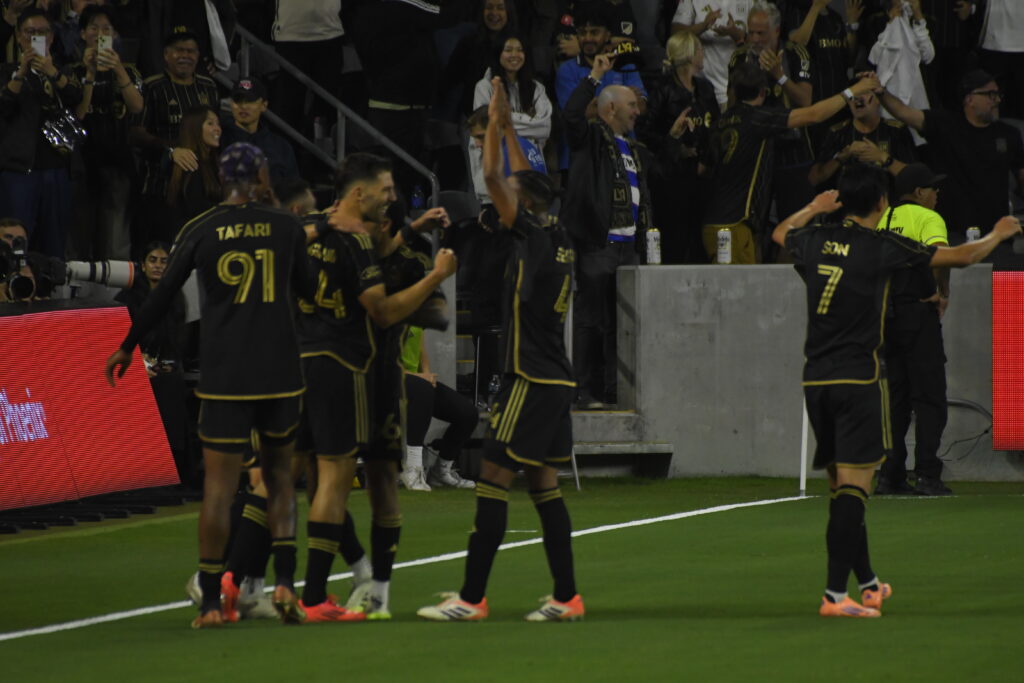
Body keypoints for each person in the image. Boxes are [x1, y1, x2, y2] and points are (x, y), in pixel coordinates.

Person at [771, 163, 1021, 618]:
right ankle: (833, 596)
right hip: (860, 377)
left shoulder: (813, 238)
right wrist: (1000, 232)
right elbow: (963, 257)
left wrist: (813, 206)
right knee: (854, 490)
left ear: (841, 201)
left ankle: (867, 584)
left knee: (842, 489)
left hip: (817, 379)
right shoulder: (883, 246)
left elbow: (779, 234)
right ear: (884, 203)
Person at [105, 142, 317, 629]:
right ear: (261, 175)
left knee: (219, 491)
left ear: (222, 180)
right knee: (281, 480)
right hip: (280, 373)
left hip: (225, 379)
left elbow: (161, 293)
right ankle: (285, 582)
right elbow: (306, 291)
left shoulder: (200, 229)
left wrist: (127, 345)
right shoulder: (286, 226)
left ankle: (208, 604)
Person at [417, 79, 583, 623]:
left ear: (524, 205)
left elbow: (492, 176)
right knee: (544, 486)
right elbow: (514, 175)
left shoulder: (531, 234)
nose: (502, 195)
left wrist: (491, 125)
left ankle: (471, 598)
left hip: (528, 377)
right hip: (555, 376)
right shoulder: (557, 236)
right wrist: (508, 128)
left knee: (491, 478)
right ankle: (567, 596)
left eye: (514, 195)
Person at [296, 152, 458, 622]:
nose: (389, 201)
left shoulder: (404, 253)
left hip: (382, 377)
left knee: (382, 482)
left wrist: (421, 283)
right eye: (384, 191)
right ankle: (358, 572)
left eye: (393, 198)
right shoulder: (342, 235)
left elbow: (437, 316)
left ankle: (378, 591)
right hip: (337, 371)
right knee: (320, 479)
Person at [701, 64, 880, 264]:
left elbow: (703, 169)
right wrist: (853, 91)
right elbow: (813, 115)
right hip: (735, 223)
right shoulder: (756, 118)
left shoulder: (719, 123)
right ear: (763, 92)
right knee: (737, 292)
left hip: (712, 220)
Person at [561, 52, 651, 408]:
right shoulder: (591, 137)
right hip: (599, 245)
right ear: (610, 108)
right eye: (631, 104)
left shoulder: (630, 146)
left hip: (628, 248)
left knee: (622, 324)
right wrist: (595, 75)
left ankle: (615, 390)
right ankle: (584, 390)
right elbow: (570, 116)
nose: (637, 111)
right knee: (592, 320)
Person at [876, 68, 1024, 244]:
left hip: (997, 237)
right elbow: (904, 112)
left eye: (998, 94)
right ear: (970, 99)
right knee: (952, 272)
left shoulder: (1009, 134)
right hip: (952, 235)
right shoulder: (945, 125)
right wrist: (880, 93)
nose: (997, 100)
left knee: (1007, 274)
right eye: (991, 94)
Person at [874, 163, 952, 496]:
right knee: (929, 396)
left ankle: (889, 475)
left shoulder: (883, 219)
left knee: (895, 399)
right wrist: (942, 294)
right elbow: (941, 256)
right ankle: (927, 475)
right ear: (919, 192)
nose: (937, 195)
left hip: (885, 319)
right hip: (918, 313)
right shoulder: (927, 218)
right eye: (933, 188)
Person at [0, 8, 82, 259]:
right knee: (15, 241)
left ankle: (52, 291)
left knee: (54, 242)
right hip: (19, 170)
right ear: (18, 36)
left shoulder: (64, 71)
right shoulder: (5, 72)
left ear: (52, 37)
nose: (36, 37)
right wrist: (21, 73)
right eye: (30, 32)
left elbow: (76, 99)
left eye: (43, 32)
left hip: (57, 167)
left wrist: (52, 72)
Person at [129, 29, 219, 245]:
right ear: (166, 55)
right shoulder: (152, 86)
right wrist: (171, 150)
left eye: (191, 51)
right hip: (158, 183)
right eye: (179, 51)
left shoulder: (209, 87)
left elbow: (216, 131)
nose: (185, 56)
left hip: (200, 183)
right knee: (156, 246)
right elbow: (135, 133)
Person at [113, 241, 193, 484]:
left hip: (165, 367)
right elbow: (119, 339)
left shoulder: (176, 297)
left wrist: (168, 362)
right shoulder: (126, 298)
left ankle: (174, 462)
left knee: (171, 382)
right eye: (153, 260)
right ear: (143, 265)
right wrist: (142, 362)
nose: (158, 266)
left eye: (163, 261)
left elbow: (178, 340)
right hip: (132, 366)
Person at [637, 30, 719, 264]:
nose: (703, 55)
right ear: (690, 54)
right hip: (670, 176)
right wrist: (675, 147)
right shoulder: (662, 89)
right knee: (674, 238)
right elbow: (645, 132)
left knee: (699, 240)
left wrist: (707, 161)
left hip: (701, 174)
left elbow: (716, 128)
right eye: (700, 50)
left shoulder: (705, 88)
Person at [69, 4, 143, 261]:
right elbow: (79, 113)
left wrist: (119, 69)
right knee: (80, 233)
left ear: (115, 35)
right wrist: (89, 72)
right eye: (93, 28)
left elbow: (137, 106)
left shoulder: (128, 71)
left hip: (118, 161)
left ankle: (114, 296)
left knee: (115, 236)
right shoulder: (71, 72)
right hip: (80, 162)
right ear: (82, 34)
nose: (99, 33)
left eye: (106, 29)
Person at [400, 327, 478, 491]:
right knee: (422, 388)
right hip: (384, 380)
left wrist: (427, 373)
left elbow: (421, 347)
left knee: (468, 413)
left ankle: (440, 472)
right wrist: (418, 378)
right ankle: (413, 469)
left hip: (413, 381)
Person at [808, 85, 915, 189]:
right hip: (849, 204)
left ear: (878, 99)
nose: (857, 98)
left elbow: (914, 178)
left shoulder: (895, 130)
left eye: (864, 92)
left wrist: (883, 158)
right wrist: (841, 158)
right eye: (853, 94)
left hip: (890, 202)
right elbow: (814, 179)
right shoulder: (837, 132)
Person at [473, 33, 552, 152]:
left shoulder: (537, 88)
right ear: (498, 53)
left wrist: (503, 119)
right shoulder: (484, 87)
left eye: (520, 50)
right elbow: (488, 126)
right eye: (508, 50)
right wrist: (530, 121)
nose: (514, 55)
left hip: (531, 159)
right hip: (498, 159)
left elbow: (544, 128)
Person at [670, 0, 753, 109]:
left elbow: (763, 38)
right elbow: (676, 35)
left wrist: (737, 34)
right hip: (703, 93)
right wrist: (703, 26)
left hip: (740, 91)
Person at [220, 77, 299, 186]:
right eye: (238, 100)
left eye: (250, 100)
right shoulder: (219, 140)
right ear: (231, 104)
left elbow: (294, 190)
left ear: (264, 105)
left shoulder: (281, 146)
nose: (243, 106)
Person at [165, 105, 221, 233]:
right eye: (210, 123)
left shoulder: (212, 162)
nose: (217, 129)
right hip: (194, 239)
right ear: (194, 128)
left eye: (218, 124)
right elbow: (198, 210)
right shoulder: (190, 162)